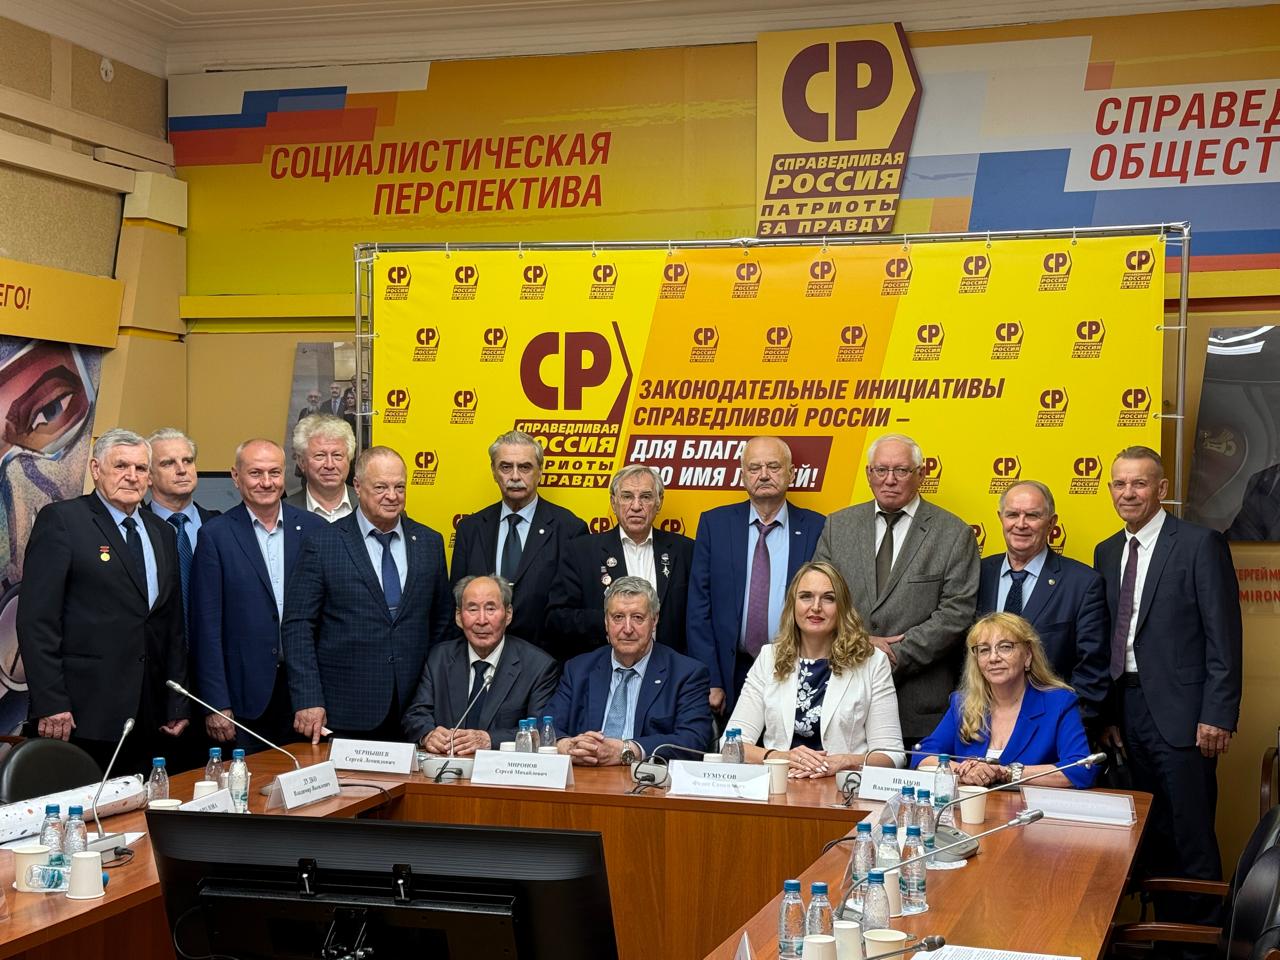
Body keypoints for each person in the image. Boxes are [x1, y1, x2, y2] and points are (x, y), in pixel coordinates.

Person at [1095, 445, 1242, 932]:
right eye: (1120, 483)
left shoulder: (1199, 544)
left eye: (1139, 483)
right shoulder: (1106, 551)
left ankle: (1196, 947)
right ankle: (1163, 940)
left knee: (1190, 836)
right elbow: (1110, 636)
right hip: (1128, 711)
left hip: (1186, 715)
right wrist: (1109, 715)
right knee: (1150, 835)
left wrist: (1217, 714)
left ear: (1161, 489)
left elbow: (1224, 635)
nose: (1128, 493)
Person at [16, 428, 188, 773]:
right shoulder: (63, 521)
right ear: (96, 469)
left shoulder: (162, 532)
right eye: (121, 466)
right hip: (82, 714)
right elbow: (37, 621)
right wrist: (51, 701)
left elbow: (171, 624)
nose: (132, 476)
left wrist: (176, 700)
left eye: (141, 468)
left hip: (149, 713)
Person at [813, 433, 979, 746]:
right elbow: (817, 599)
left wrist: (889, 657)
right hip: (840, 698)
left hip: (916, 707)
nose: (889, 479)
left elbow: (956, 613)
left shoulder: (954, 533)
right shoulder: (838, 526)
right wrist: (859, 645)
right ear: (868, 474)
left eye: (901, 470)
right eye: (881, 470)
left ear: (921, 474)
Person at [283, 446, 453, 742]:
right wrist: (308, 698)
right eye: (381, 487)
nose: (392, 496)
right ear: (358, 487)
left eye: (400, 487)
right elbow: (298, 626)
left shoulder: (429, 542)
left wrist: (432, 693)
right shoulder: (323, 544)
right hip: (346, 709)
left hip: (415, 709)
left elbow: (442, 623)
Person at [189, 439, 327, 751]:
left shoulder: (315, 529)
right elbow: (206, 628)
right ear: (236, 476)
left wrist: (318, 695)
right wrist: (216, 703)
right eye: (255, 473)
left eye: (274, 473)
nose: (266, 482)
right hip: (243, 699)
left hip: (305, 693)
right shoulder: (215, 536)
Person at [686, 436, 826, 718]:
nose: (763, 475)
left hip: (795, 667)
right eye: (754, 468)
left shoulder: (817, 526)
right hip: (731, 671)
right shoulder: (715, 524)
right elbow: (699, 608)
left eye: (773, 466)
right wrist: (711, 678)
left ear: (791, 474)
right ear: (743, 476)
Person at [724, 561, 904, 778]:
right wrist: (779, 757)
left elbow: (892, 755)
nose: (816, 607)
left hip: (843, 788)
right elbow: (729, 744)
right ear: (793, 605)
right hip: (778, 786)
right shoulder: (769, 658)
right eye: (806, 596)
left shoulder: (872, 662)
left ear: (842, 607)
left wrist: (845, 761)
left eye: (828, 598)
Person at [976, 480, 1109, 725]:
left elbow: (1092, 671)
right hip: (983, 726)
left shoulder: (1083, 583)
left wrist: (1058, 728)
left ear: (1051, 522)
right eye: (1012, 514)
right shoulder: (978, 574)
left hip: (1052, 729)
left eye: (1032, 515)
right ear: (1000, 518)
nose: (1021, 524)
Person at [914, 613, 1096, 789]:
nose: (993, 658)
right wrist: (963, 772)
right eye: (984, 650)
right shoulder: (963, 703)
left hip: (1030, 808)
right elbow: (921, 757)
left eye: (1005, 647)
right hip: (972, 806)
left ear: (1028, 655)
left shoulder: (1058, 703)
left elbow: (1081, 769)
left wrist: (1007, 773)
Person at [547, 576, 713, 764]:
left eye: (637, 618)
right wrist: (568, 746)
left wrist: (627, 751)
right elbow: (546, 727)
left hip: (648, 778)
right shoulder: (578, 669)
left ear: (654, 620)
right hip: (585, 775)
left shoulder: (686, 674)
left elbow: (693, 741)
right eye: (618, 617)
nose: (627, 629)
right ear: (606, 622)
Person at [451, 430, 587, 650]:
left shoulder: (569, 529)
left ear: (540, 472)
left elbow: (571, 610)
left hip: (546, 658)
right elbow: (457, 602)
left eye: (525, 467)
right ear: (494, 472)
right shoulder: (470, 528)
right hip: (482, 655)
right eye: (506, 467)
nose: (515, 476)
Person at [546, 465, 693, 658]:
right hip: (603, 665)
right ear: (613, 502)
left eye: (646, 497)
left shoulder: (685, 551)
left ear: (659, 502)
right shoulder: (581, 551)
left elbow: (697, 618)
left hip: (669, 668)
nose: (636, 506)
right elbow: (557, 618)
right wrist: (613, 620)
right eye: (627, 496)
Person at [402, 575, 561, 754]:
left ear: (508, 614)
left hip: (502, 768)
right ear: (458, 617)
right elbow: (416, 714)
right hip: (447, 766)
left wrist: (489, 740)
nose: (482, 620)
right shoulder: (440, 658)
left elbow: (541, 730)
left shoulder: (538, 667)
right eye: (472, 609)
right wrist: (428, 734)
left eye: (491, 609)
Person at [143, 428, 220, 622]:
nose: (182, 470)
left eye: (188, 460)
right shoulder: (136, 529)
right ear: (148, 476)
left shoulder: (220, 526)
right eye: (168, 463)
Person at [286, 414, 356, 522]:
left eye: (337, 455)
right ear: (301, 462)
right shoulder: (284, 511)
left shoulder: (368, 504)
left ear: (349, 459)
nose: (330, 465)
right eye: (320, 456)